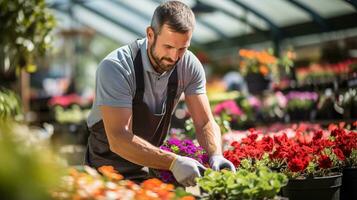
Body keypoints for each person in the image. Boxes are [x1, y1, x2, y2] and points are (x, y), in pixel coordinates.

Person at [85, 1, 235, 187]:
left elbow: (204, 122)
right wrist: (173, 162)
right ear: (150, 34)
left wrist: (216, 154)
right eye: (168, 47)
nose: (174, 57)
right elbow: (119, 138)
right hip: (108, 171)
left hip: (151, 164)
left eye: (182, 48)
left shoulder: (188, 65)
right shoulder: (117, 67)